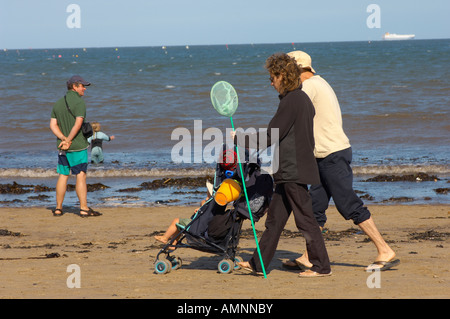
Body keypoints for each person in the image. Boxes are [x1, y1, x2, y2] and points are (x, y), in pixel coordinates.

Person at [284, 51, 399, 271]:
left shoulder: (309, 87)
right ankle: (309, 255)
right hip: (325, 155)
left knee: (348, 204)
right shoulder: (318, 83)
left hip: (332, 155)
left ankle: (384, 249)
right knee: (315, 208)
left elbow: (293, 112)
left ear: (298, 70)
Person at [233, 53, 331, 277]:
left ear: (283, 76)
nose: (270, 82)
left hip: (293, 170)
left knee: (306, 220)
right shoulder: (300, 100)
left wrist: (239, 138)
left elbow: (269, 136)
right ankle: (258, 264)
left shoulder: (293, 101)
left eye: (272, 77)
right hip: (289, 170)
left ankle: (321, 266)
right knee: (275, 221)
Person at [49, 75, 101, 218]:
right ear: (74, 87)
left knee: (63, 175)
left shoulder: (58, 103)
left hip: (62, 146)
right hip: (76, 145)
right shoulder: (80, 103)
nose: (84, 88)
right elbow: (78, 125)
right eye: (82, 86)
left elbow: (52, 125)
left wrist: (63, 139)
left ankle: (58, 208)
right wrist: (69, 140)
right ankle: (83, 208)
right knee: (81, 175)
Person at [154, 181, 213, 246]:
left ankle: (165, 238)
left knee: (176, 221)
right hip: (202, 226)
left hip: (197, 226)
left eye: (207, 190)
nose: (206, 191)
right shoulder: (213, 204)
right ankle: (173, 244)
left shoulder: (208, 203)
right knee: (179, 225)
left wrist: (203, 204)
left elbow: (203, 205)